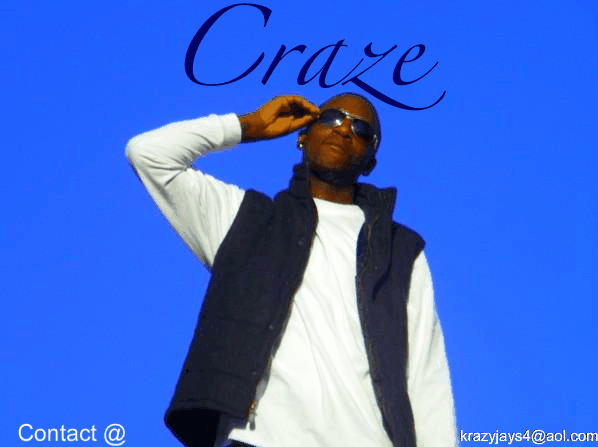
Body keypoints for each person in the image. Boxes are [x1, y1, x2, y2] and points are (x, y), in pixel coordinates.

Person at [125, 93, 458, 447]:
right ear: (303, 135)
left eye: (361, 130)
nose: (344, 129)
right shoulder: (245, 220)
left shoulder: (400, 251)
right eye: (331, 117)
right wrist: (249, 126)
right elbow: (148, 154)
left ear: (370, 162)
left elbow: (426, 375)